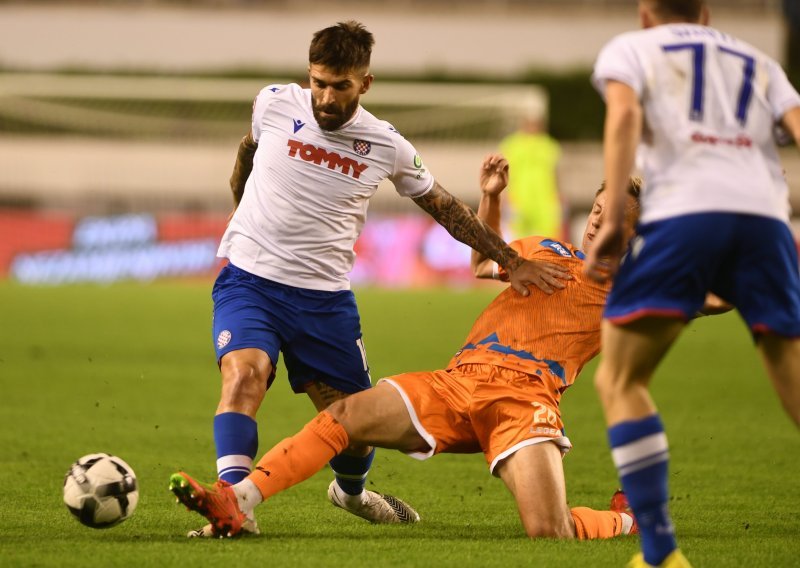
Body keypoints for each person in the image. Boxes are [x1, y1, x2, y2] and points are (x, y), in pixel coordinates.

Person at [194, 20, 570, 537]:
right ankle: (234, 508)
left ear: (365, 83)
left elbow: (444, 208)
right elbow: (248, 153)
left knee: (354, 426)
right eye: (319, 83)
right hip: (250, 281)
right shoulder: (274, 102)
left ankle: (350, 493)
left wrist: (511, 257)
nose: (326, 98)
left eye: (340, 86)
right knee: (244, 377)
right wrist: (242, 214)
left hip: (324, 302)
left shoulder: (384, 143)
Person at [167, 153, 648, 540]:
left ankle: (628, 519)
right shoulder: (547, 251)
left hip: (527, 402)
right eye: (597, 210)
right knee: (345, 415)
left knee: (550, 530)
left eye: (613, 220)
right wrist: (489, 197)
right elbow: (483, 263)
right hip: (460, 381)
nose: (597, 222)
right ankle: (237, 500)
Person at [586, 1, 800, 567]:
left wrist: (612, 220)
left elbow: (625, 117)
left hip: (686, 215)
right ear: (705, 14)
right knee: (792, 380)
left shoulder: (631, 49)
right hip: (765, 219)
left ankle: (659, 552)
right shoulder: (759, 62)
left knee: (620, 377)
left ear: (644, 14)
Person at [499, 110, 564, 241]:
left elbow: (555, 173)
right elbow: (504, 172)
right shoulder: (511, 145)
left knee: (548, 237)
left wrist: (558, 195)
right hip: (518, 198)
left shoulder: (550, 145)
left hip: (544, 199)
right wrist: (504, 195)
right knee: (517, 237)